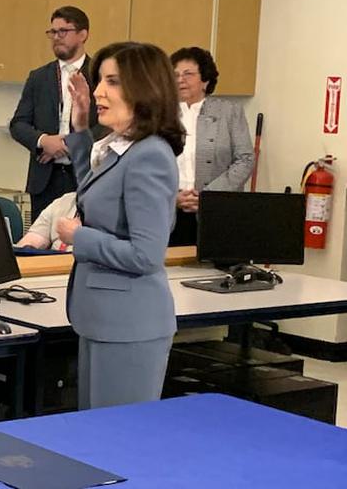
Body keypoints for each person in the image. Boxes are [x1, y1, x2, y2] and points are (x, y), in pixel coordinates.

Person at [55, 41, 185, 410]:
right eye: (100, 81)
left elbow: (146, 255)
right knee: (95, 440)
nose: (98, 92)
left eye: (112, 82)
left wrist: (81, 237)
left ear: (143, 89)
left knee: (116, 444)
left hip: (130, 325)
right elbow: (93, 198)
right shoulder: (122, 148)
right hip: (101, 319)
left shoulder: (150, 156)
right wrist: (80, 128)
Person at [9, 6, 101, 222]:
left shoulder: (99, 74)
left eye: (63, 31)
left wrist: (65, 144)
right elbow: (18, 124)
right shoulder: (39, 77)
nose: (56, 38)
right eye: (53, 32)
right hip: (45, 179)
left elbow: (108, 125)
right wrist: (44, 141)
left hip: (85, 176)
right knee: (39, 245)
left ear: (83, 34)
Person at [168, 47, 255, 246]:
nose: (180, 80)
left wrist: (208, 196)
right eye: (175, 75)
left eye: (188, 74)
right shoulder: (161, 114)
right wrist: (174, 197)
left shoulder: (229, 112)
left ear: (205, 80)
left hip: (217, 209)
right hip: (170, 209)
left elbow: (245, 159)